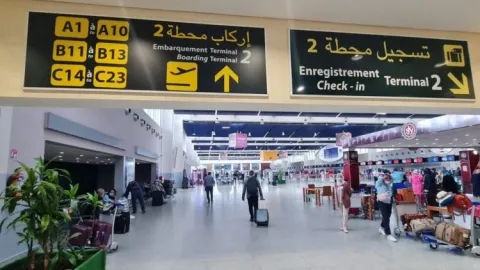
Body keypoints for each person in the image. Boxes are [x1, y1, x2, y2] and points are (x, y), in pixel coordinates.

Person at [375, 173, 397, 242]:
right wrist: (383, 176)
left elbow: (393, 179)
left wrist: (389, 175)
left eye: (389, 179)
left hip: (389, 201)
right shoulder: (379, 184)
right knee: (386, 217)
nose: (388, 180)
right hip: (381, 201)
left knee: (388, 215)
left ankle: (381, 227)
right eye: (386, 179)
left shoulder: (389, 184)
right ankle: (388, 234)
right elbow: (379, 181)